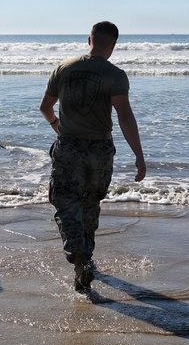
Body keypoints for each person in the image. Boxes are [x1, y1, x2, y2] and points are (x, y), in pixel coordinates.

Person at [39, 21, 146, 293]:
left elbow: (45, 107)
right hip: (100, 151)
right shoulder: (115, 74)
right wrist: (139, 155)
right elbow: (124, 116)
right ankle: (86, 258)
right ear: (113, 45)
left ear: (89, 39)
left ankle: (80, 259)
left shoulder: (64, 68)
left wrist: (56, 125)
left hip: (69, 148)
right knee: (90, 204)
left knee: (65, 204)